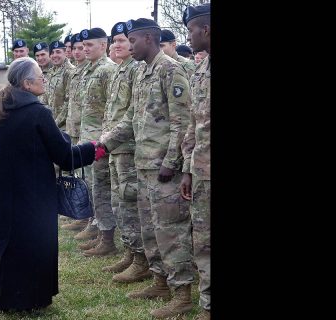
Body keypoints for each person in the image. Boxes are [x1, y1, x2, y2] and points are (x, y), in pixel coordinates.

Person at [0, 57, 97, 313]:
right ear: (27, 83)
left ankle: (11, 300)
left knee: (9, 242)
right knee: (35, 243)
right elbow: (65, 157)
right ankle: (31, 300)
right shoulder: (38, 112)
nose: (43, 79)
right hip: (32, 193)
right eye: (40, 76)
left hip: (1, 190)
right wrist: (95, 148)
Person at [97, 18, 194, 318]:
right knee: (150, 231)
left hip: (163, 169)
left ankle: (183, 295)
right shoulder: (142, 72)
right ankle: (159, 282)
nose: (129, 46)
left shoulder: (170, 69)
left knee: (171, 233)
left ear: (149, 39)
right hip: (142, 164)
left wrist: (171, 163)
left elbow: (182, 121)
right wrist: (102, 145)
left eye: (133, 41)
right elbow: (130, 119)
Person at [99, 21, 151, 284]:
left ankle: (141, 260)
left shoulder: (136, 70)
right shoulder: (121, 70)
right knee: (120, 202)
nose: (119, 45)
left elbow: (133, 116)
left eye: (122, 40)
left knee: (130, 203)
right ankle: (131, 252)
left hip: (129, 148)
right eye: (115, 41)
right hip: (115, 146)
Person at [180, 3, 211, 320]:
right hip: (202, 171)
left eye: (191, 30)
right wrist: (188, 170)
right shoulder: (201, 70)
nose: (188, 36)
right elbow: (193, 123)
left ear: (206, 30)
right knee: (202, 241)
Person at [78, 27, 118, 257]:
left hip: (101, 141)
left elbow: (110, 110)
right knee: (93, 186)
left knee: (102, 189)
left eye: (89, 45)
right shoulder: (89, 70)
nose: (85, 49)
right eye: (84, 46)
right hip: (88, 139)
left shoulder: (107, 70)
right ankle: (98, 230)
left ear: (104, 45)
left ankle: (107, 239)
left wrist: (103, 141)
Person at [60, 32, 95, 235]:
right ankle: (82, 215)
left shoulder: (103, 70)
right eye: (76, 48)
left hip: (95, 135)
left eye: (82, 47)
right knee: (81, 178)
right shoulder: (80, 72)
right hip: (77, 130)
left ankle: (95, 225)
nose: (78, 51)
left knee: (95, 184)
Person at [46, 40, 75, 130]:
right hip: (51, 123)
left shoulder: (70, 72)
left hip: (64, 126)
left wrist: (55, 123)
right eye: (52, 53)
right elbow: (46, 98)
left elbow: (69, 103)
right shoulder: (51, 72)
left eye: (58, 52)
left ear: (65, 53)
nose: (54, 55)